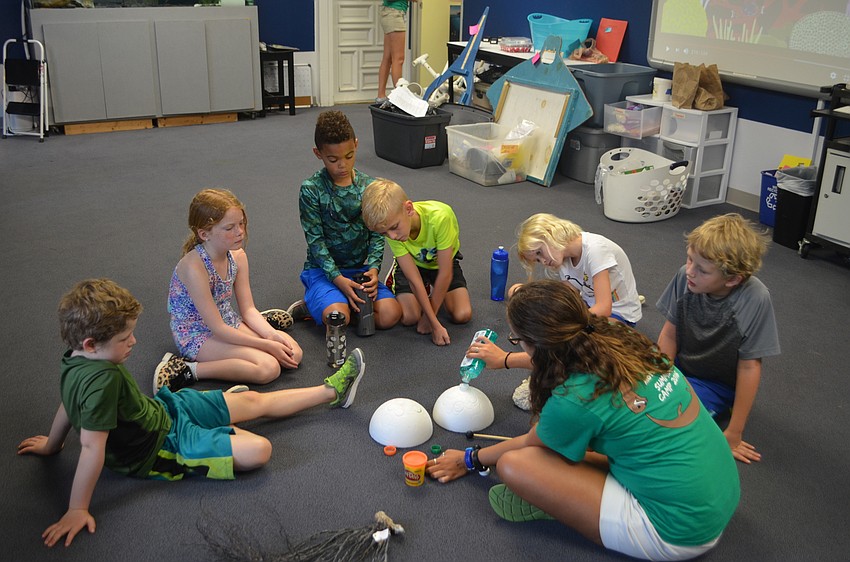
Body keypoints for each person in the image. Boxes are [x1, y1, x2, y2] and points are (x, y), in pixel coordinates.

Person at [17, 278, 366, 548]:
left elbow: (66, 402)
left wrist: (52, 444)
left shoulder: (73, 359)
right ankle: (225, 426)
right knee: (260, 450)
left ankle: (331, 390)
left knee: (254, 403)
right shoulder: (99, 385)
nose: (134, 343)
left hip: (166, 410)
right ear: (92, 344)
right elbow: (93, 449)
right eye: (125, 339)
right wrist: (78, 507)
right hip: (161, 448)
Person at [427, 280, 740, 561]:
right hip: (718, 492)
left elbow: (531, 443)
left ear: (536, 343)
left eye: (516, 339)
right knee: (573, 436)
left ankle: (557, 501)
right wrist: (509, 361)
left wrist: (470, 459)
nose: (517, 344)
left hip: (677, 531)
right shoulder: (624, 340)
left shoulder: (575, 397)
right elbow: (553, 367)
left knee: (514, 464)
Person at [466, 213, 641, 408]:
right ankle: (548, 367)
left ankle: (545, 371)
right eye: (538, 260)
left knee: (566, 344)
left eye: (540, 253)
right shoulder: (564, 256)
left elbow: (604, 307)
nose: (543, 262)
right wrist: (532, 297)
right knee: (518, 293)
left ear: (550, 234)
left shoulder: (595, 250)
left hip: (617, 314)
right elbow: (568, 293)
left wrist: (559, 329)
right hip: (586, 305)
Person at [656, 213, 780, 464]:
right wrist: (661, 374)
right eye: (689, 259)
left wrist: (734, 433)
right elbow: (669, 334)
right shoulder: (685, 276)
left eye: (701, 270)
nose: (690, 271)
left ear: (733, 279)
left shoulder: (755, 298)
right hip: (679, 366)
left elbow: (749, 366)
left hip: (716, 383)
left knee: (667, 421)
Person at [160, 188, 303, 393]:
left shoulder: (237, 256)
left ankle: (259, 327)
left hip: (228, 321)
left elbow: (248, 309)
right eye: (229, 228)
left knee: (293, 353)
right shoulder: (194, 267)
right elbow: (217, 328)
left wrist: (271, 335)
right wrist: (264, 344)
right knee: (268, 368)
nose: (240, 232)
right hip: (198, 333)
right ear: (204, 234)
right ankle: (189, 369)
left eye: (241, 223)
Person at [295, 110, 402, 332]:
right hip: (324, 272)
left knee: (391, 315)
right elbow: (316, 243)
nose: (342, 165)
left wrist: (373, 268)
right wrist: (337, 279)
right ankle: (315, 304)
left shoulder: (368, 186)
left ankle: (342, 303)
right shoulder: (311, 189)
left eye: (349, 156)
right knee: (337, 317)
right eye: (333, 160)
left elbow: (376, 234)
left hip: (360, 271)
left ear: (356, 144)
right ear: (318, 153)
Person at [361, 178, 471, 346]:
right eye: (384, 233)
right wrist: (435, 322)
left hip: (440, 265)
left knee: (462, 315)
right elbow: (414, 279)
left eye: (394, 227)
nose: (392, 236)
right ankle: (406, 283)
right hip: (414, 265)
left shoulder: (441, 217)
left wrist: (430, 317)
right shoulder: (391, 228)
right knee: (409, 317)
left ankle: (428, 297)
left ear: (409, 209)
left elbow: (445, 273)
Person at [377, 0, 418, 103]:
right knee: (398, 59)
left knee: (388, 58)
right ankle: (398, 98)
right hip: (394, 14)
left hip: (392, 13)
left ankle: (381, 96)